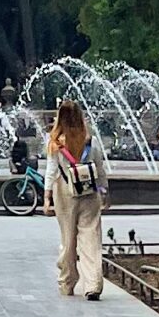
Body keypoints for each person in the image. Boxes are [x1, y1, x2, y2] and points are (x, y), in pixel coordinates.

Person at [46, 97, 107, 297]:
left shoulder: (56, 142)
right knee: (91, 236)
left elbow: (51, 170)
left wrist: (47, 197)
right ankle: (93, 284)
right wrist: (104, 190)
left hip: (65, 192)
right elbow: (99, 167)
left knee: (68, 238)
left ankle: (67, 282)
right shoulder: (90, 140)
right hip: (89, 191)